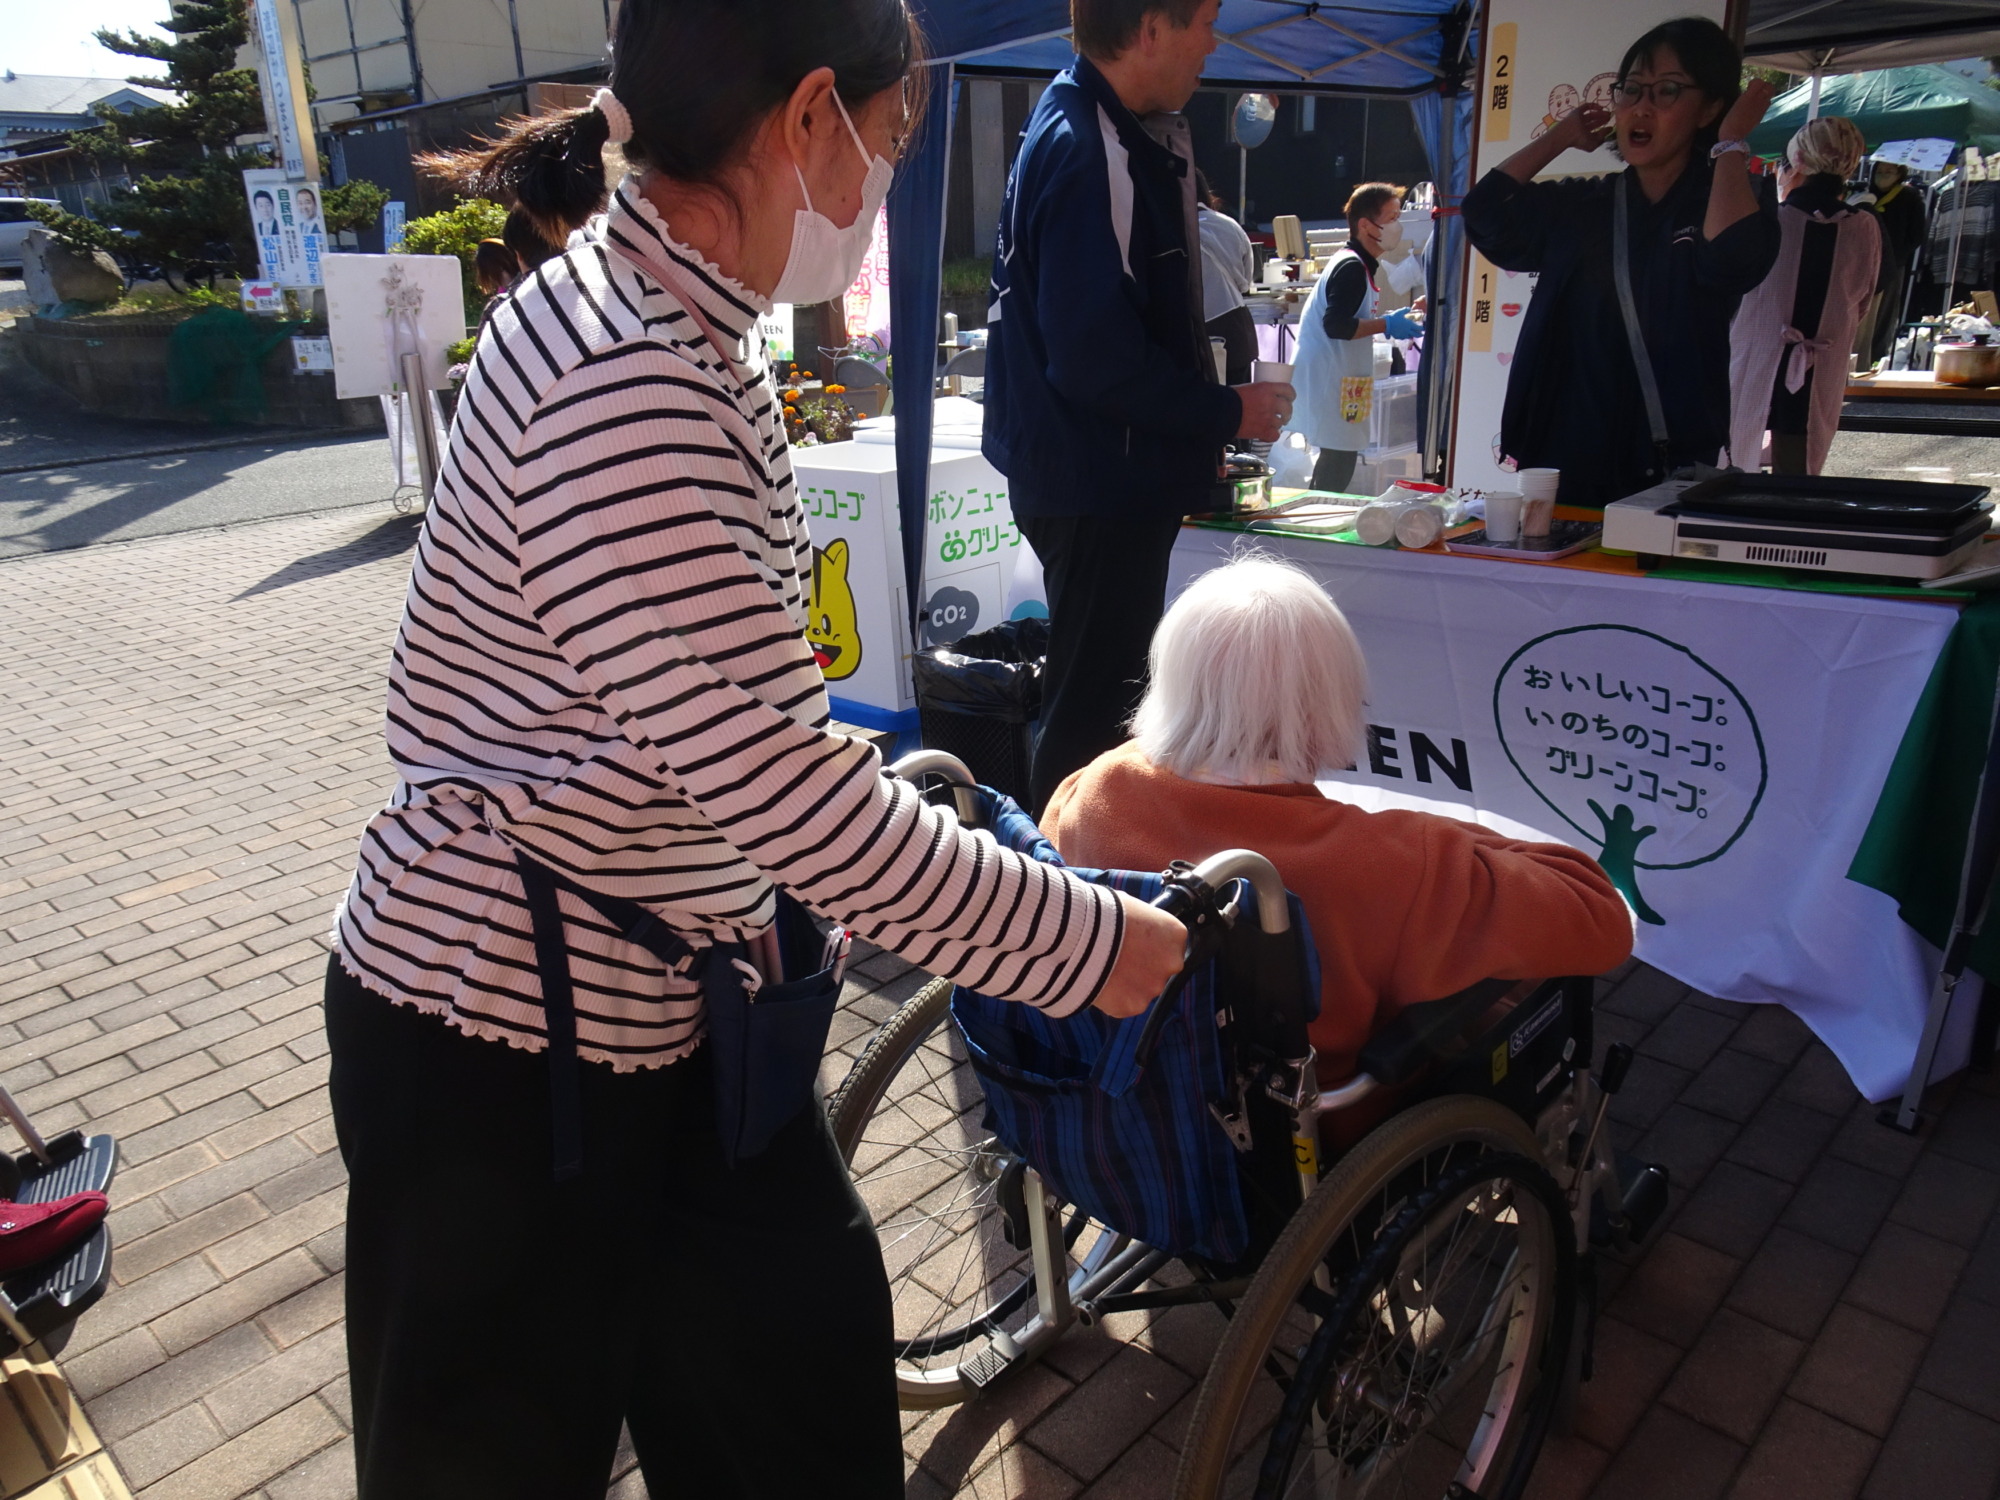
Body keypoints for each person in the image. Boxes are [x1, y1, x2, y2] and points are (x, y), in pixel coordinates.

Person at [324, 4, 1189, 1497]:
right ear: (806, 121)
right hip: (500, 1041)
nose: (883, 186)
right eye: (893, 143)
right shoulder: (634, 382)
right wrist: (1098, 947)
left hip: (673, 1002)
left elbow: (750, 761)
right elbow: (802, 809)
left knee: (796, 1399)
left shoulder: (654, 310)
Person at [1042, 555, 1635, 1088]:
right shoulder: (1393, 858)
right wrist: (1449, 838)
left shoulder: (1092, 788)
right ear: (1330, 700)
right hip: (1317, 1142)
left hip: (1126, 1099)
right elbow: (1599, 915)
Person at [983, 0, 1295, 815]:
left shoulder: (1080, 123)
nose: (1214, 44)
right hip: (1096, 478)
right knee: (1092, 710)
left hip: (1086, 470)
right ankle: (1059, 899)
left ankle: (1074, 891)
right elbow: (1095, 359)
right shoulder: (1092, 145)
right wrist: (1227, 412)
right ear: (1151, 29)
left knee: (1098, 698)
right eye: (1205, 22)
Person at [1462, 17, 1780, 506]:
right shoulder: (1585, 203)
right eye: (1630, 90)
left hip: (1668, 459)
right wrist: (1558, 139)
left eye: (1667, 91)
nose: (1641, 108)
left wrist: (1731, 142)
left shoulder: (1734, 197)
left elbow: (1730, 262)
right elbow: (1485, 215)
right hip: (1565, 453)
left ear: (1710, 107)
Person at [1729, 117, 1879, 476]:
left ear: (1797, 161)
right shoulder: (1865, 227)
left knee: (1735, 464)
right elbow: (1862, 300)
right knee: (1797, 474)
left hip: (1757, 360)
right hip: (1821, 366)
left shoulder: (1771, 220)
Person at [1287, 182, 1423, 494]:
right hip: (1330, 381)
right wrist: (1386, 325)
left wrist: (1389, 320)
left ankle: (1319, 518)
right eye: (1390, 218)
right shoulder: (1350, 266)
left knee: (1338, 461)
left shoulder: (1357, 264)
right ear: (1365, 225)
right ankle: (1318, 525)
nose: (1397, 226)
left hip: (1339, 380)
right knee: (1337, 465)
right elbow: (1336, 325)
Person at [1858, 159, 1928, 364]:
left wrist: (1897, 256)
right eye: (1880, 171)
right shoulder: (1864, 194)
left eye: (1889, 171)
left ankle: (1875, 356)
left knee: (1884, 312)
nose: (1883, 175)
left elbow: (1917, 234)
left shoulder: (1909, 196)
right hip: (1863, 262)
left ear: (1899, 174)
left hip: (1892, 263)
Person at [1195, 167, 1257, 386]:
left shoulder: (1173, 230)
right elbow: (1246, 281)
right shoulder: (1229, 224)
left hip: (1204, 335)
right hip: (1241, 330)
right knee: (1243, 410)